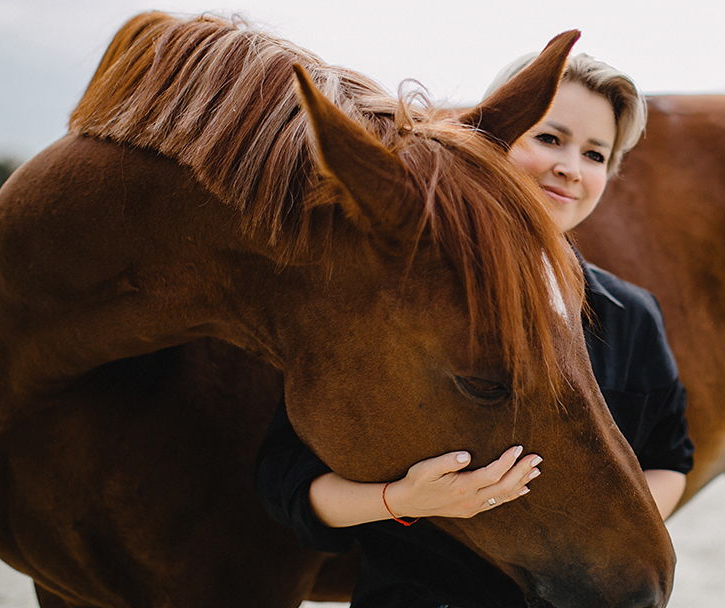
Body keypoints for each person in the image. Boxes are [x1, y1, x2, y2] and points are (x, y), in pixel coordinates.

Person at [255, 52, 693, 608]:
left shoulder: (632, 314)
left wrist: (593, 530)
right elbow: (285, 482)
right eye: (550, 138)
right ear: (493, 139)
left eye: (595, 154)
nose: (570, 167)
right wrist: (406, 499)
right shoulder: (408, 300)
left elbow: (671, 458)